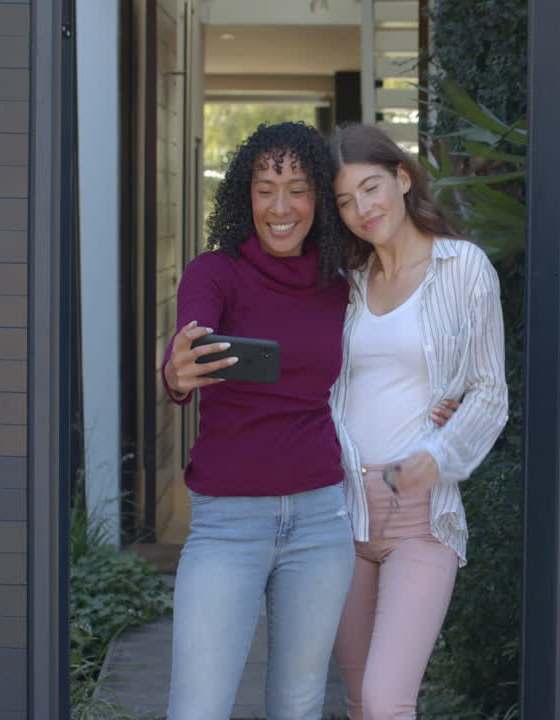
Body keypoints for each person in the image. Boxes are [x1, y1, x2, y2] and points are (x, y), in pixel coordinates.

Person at [160, 121, 355, 719]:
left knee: (298, 707)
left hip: (323, 520)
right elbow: (191, 334)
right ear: (245, 194)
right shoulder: (215, 272)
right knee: (198, 707)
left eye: (297, 188)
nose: (280, 206)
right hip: (228, 525)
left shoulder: (341, 282)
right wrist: (179, 368)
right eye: (266, 187)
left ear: (319, 196)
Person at [328, 123, 509, 719]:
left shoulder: (463, 269)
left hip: (420, 516)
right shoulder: (346, 287)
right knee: (357, 701)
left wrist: (439, 453)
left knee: (386, 701)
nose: (363, 209)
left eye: (372, 188)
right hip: (343, 512)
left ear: (403, 179)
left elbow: (488, 392)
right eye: (346, 201)